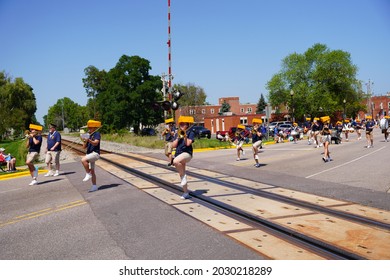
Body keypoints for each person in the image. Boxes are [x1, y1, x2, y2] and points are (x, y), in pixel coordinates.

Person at [171, 116, 195, 199]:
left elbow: (188, 144)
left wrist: (185, 136)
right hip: (178, 153)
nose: (181, 125)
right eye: (180, 124)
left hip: (187, 153)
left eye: (182, 124)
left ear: (187, 125)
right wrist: (178, 137)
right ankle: (186, 193)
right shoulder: (177, 132)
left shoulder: (191, 132)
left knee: (175, 161)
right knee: (182, 173)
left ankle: (184, 177)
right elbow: (173, 146)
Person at [81, 120, 101, 192]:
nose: (88, 129)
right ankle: (94, 186)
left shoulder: (96, 133)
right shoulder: (88, 135)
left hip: (95, 153)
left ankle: (88, 173)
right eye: (88, 127)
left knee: (83, 160)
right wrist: (84, 140)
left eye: (90, 127)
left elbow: (96, 143)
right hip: (89, 154)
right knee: (93, 171)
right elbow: (83, 147)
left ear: (94, 127)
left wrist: (89, 140)